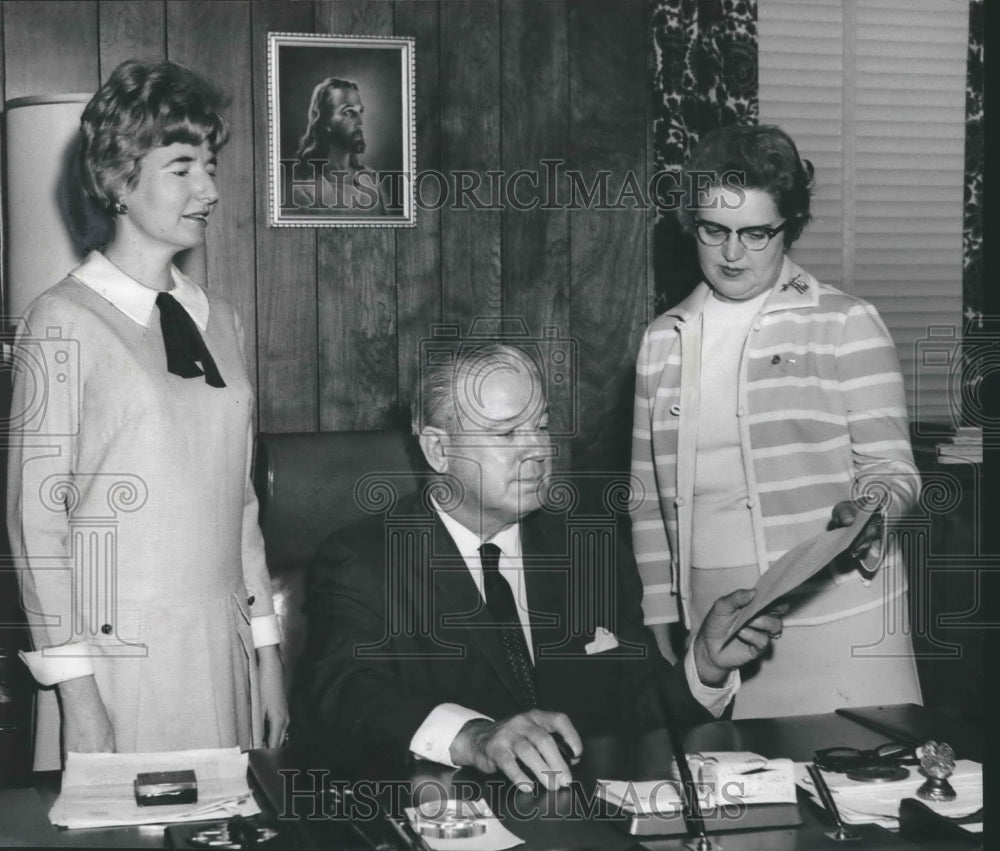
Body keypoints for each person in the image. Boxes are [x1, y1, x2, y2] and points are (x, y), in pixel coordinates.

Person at [294, 343, 783, 790]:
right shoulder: (365, 560)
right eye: (507, 433)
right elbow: (345, 694)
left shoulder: (588, 548)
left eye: (542, 425)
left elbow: (641, 710)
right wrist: (476, 736)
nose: (539, 450)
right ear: (438, 450)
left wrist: (706, 664)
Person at [7, 59, 288, 770]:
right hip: (112, 666)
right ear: (118, 178)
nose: (211, 189)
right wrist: (79, 696)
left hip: (217, 655)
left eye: (212, 165)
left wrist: (266, 651)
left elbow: (241, 504)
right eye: (183, 167)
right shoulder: (59, 320)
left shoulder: (220, 318)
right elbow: (34, 524)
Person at [631, 124, 922, 718]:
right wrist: (661, 607)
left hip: (836, 608)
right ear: (693, 225)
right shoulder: (664, 339)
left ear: (788, 227)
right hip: (718, 622)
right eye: (714, 230)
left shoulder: (846, 322)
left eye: (756, 233)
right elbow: (644, 494)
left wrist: (870, 514)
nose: (732, 253)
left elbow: (894, 470)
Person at [285, 77, 383, 214]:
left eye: (360, 111)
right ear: (326, 122)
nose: (360, 122)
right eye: (348, 112)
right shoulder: (304, 188)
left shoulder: (370, 181)